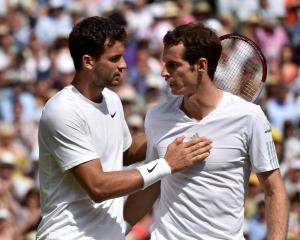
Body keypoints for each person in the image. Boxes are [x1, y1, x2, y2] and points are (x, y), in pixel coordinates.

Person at [36, 16, 212, 240]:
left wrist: (173, 130)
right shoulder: (62, 110)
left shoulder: (111, 100)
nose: (123, 64)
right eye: (115, 58)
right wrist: (166, 164)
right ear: (88, 61)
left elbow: (123, 153)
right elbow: (97, 186)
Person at [124, 22, 289, 240]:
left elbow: (275, 191)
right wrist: (115, 230)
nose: (164, 72)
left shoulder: (250, 117)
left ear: (201, 65)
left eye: (173, 65)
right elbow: (151, 187)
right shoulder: (156, 116)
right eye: (165, 64)